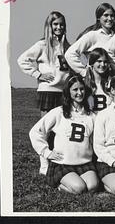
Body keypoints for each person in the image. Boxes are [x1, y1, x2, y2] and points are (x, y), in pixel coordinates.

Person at [17, 11, 70, 175]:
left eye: (61, 24)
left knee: (60, 129)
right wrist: (38, 75)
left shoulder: (67, 46)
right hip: (47, 91)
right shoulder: (41, 45)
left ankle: (58, 161)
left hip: (63, 92)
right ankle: (44, 165)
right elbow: (22, 60)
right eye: (55, 24)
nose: (59, 27)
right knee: (45, 129)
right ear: (49, 26)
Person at [29, 74, 99, 194]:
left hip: (84, 163)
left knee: (93, 186)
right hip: (63, 163)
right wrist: (47, 152)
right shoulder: (58, 112)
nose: (79, 93)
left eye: (81, 89)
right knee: (79, 188)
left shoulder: (91, 116)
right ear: (68, 92)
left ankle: (74, 182)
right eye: (75, 89)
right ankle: (60, 185)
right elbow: (35, 132)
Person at [65, 3, 115, 76]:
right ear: (99, 17)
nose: (109, 18)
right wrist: (84, 72)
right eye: (106, 15)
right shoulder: (93, 35)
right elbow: (70, 54)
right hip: (95, 82)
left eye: (112, 16)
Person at [84, 48, 115, 113]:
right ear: (92, 62)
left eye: (105, 62)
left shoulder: (111, 83)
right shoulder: (84, 83)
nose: (102, 64)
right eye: (99, 61)